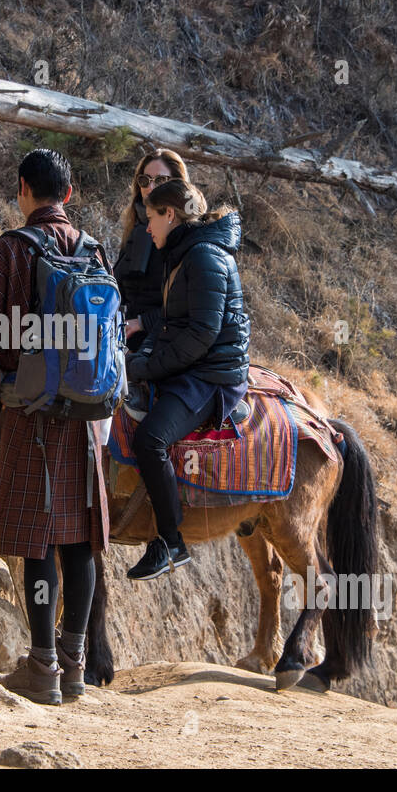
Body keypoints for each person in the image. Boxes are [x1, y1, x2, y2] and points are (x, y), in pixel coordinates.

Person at [0, 149, 111, 705]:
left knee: (38, 538)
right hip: (89, 418)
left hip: (30, 411)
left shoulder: (13, 249)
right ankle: (73, 666)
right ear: (67, 194)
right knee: (81, 539)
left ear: (24, 190)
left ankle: (41, 666)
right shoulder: (95, 251)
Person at [123, 179, 251, 581]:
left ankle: (169, 541)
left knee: (151, 439)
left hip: (212, 377)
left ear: (170, 215)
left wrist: (145, 367)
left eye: (152, 219)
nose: (147, 228)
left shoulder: (203, 256)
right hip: (194, 366)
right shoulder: (186, 253)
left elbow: (201, 335)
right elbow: (180, 322)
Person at [112, 149, 191, 353]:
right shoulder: (136, 228)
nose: (151, 187)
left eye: (161, 180)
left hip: (164, 339)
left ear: (178, 184)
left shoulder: (187, 234)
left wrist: (141, 322)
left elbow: (190, 305)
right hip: (126, 333)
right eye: (145, 180)